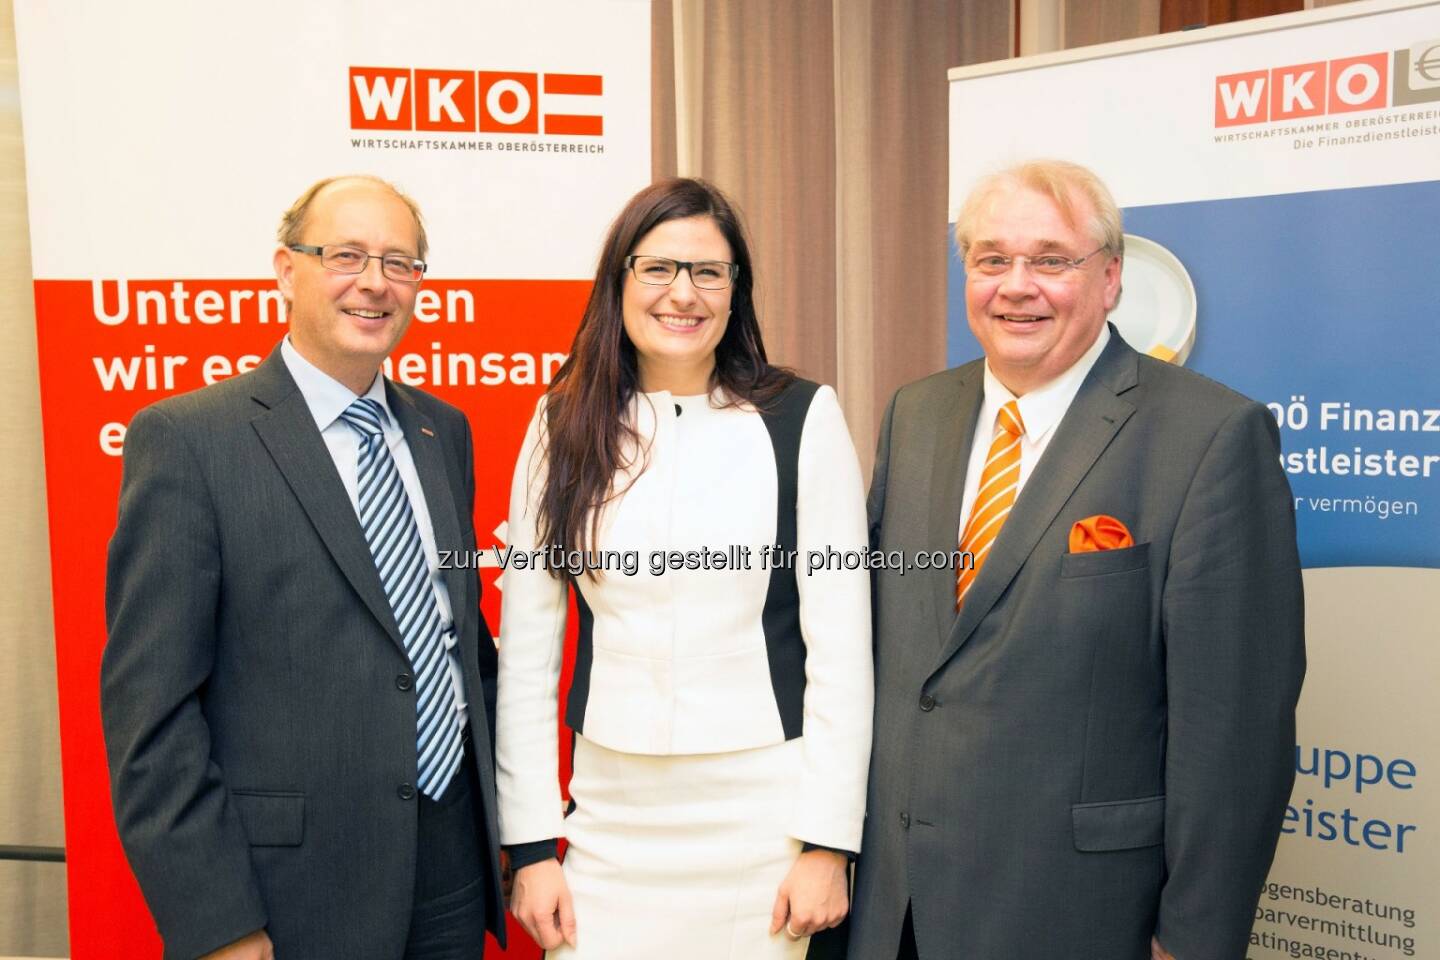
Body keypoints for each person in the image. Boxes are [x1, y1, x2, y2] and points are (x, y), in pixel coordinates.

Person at [848, 159, 1305, 960]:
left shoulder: (1209, 438)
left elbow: (1234, 731)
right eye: (991, 259)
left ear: (1111, 279)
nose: (1016, 285)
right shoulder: (915, 412)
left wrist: (1194, 938)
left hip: (1080, 914)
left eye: (1051, 260)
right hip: (899, 906)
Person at [101, 175, 504, 960]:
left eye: (401, 262)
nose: (374, 282)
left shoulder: (441, 431)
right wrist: (217, 921)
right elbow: (151, 715)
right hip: (291, 894)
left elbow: (460, 647)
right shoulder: (190, 441)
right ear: (287, 269)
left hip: (451, 867)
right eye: (345, 255)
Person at [496, 177, 873, 959]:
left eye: (709, 271)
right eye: (658, 267)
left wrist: (828, 843)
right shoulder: (561, 422)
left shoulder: (801, 417)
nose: (684, 293)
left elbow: (842, 653)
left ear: (737, 292)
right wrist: (532, 849)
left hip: (762, 821)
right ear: (620, 282)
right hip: (608, 821)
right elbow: (527, 657)